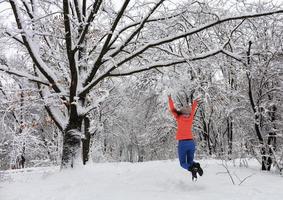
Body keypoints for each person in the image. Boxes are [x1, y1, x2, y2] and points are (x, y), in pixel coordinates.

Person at [168, 95, 203, 181]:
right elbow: (193, 109)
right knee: (190, 162)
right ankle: (197, 166)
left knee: (183, 163)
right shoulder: (190, 117)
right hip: (191, 143)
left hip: (183, 143)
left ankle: (192, 169)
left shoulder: (179, 118)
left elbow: (172, 109)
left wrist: (170, 99)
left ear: (181, 113)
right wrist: (195, 103)